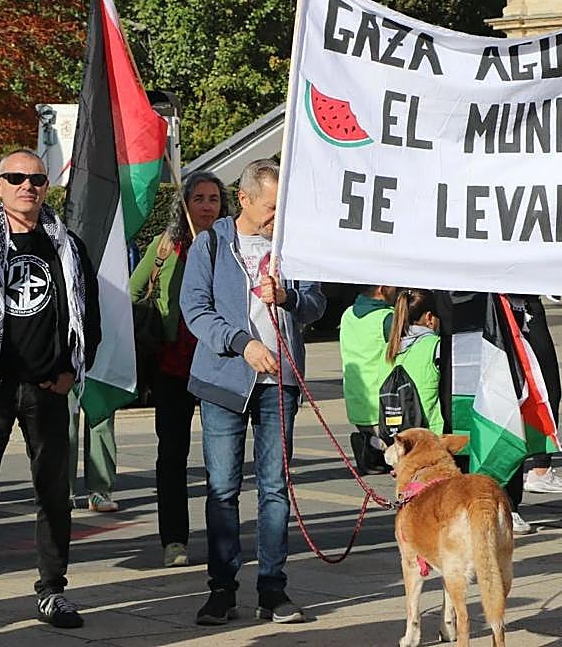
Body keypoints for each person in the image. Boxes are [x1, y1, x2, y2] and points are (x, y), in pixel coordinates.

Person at [0, 149, 101, 635]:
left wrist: (74, 367)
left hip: (47, 387)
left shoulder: (66, 246)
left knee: (53, 494)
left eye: (36, 179)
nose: (27, 186)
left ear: (46, 187)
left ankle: (52, 590)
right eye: (16, 178)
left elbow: (88, 315)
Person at [181, 159, 325, 626]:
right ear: (243, 199)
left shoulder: (293, 244)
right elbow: (195, 311)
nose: (276, 217)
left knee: (275, 488)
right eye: (269, 207)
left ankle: (272, 588)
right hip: (225, 381)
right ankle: (222, 588)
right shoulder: (211, 243)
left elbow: (316, 302)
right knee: (222, 488)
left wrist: (289, 298)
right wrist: (241, 344)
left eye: (282, 207)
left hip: (279, 381)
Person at [129, 170, 228, 568]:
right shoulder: (165, 246)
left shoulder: (231, 245)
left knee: (220, 457)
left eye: (214, 199)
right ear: (184, 204)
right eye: (199, 198)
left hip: (219, 365)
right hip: (172, 367)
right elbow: (134, 291)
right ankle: (174, 540)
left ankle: (223, 537)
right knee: (172, 456)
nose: (206, 206)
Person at [519, 295, 562, 495]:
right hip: (521, 304)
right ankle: (540, 470)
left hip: (512, 302)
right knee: (546, 387)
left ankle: (540, 468)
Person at [339, 284, 396, 473]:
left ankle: (367, 442)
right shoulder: (387, 319)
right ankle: (370, 445)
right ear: (382, 288)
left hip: (355, 398)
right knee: (397, 449)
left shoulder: (347, 314)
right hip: (382, 405)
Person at [384, 288, 444, 435]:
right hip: (429, 435)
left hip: (397, 433)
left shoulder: (390, 348)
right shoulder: (435, 346)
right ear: (429, 318)